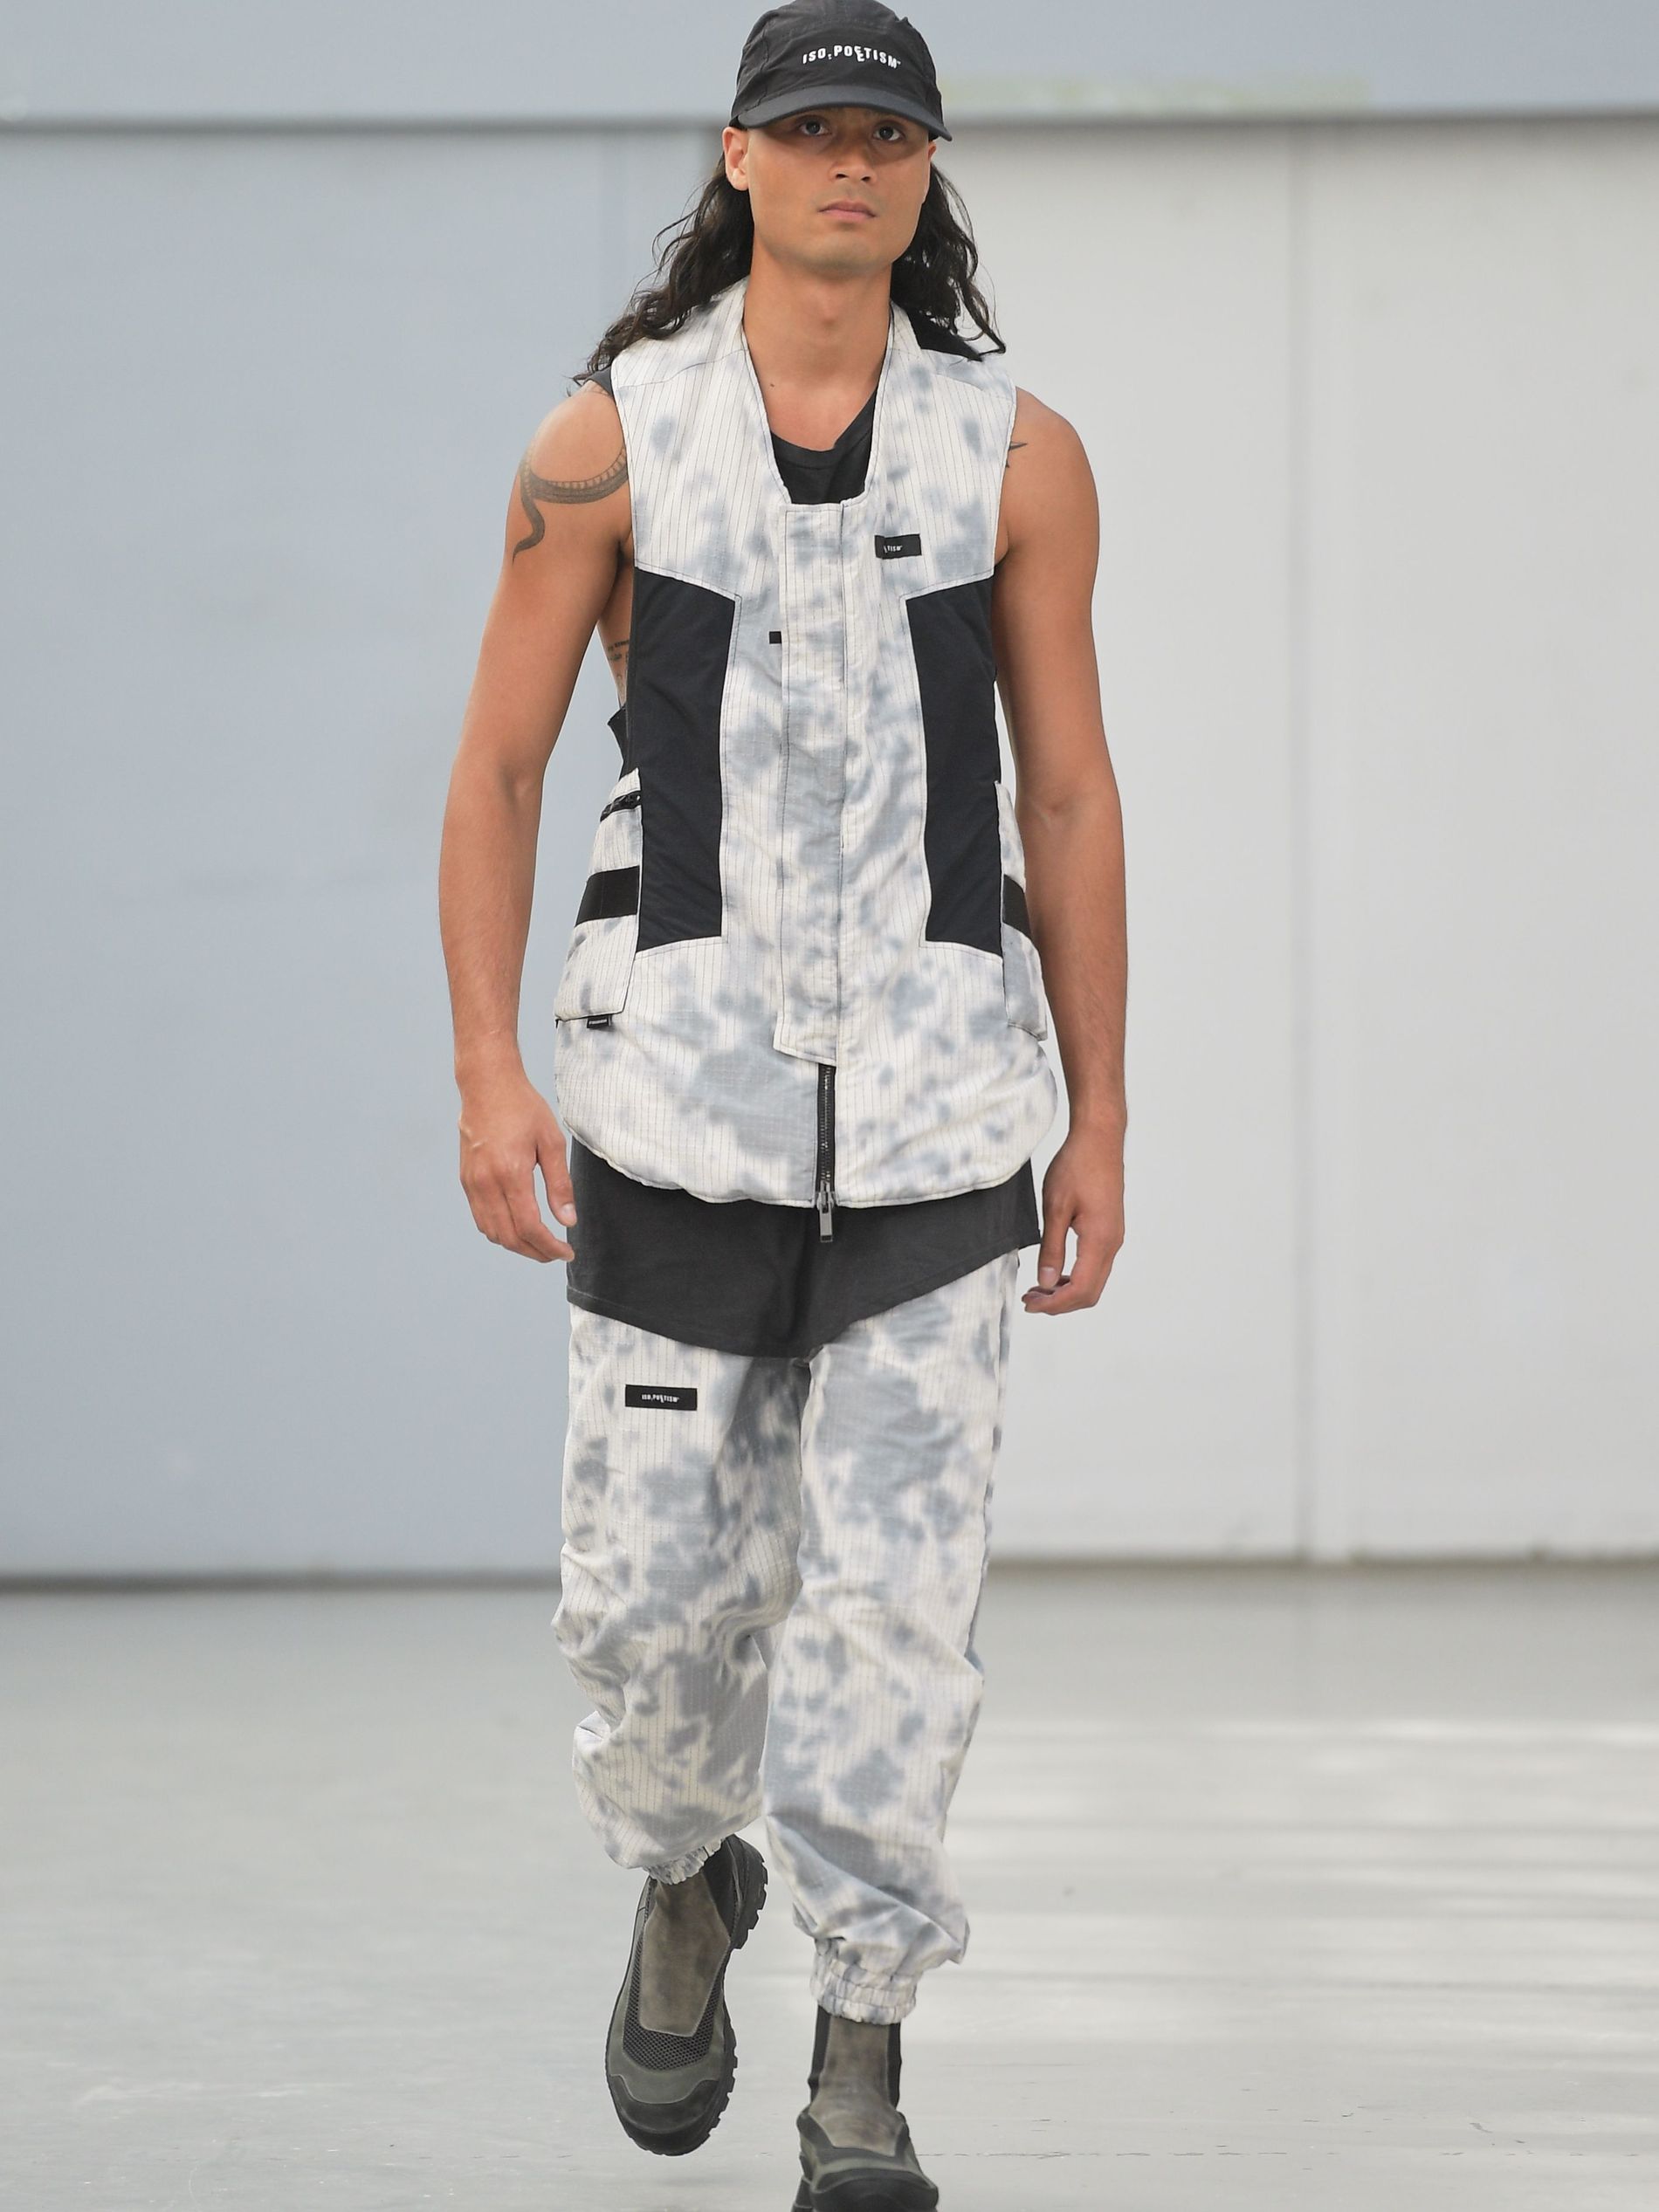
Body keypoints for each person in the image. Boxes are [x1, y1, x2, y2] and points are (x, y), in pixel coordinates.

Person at [437, 3, 1127, 2202]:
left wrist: (1099, 1113)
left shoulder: (1013, 455)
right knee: (650, 1622)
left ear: (924, 170)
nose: (850, 161)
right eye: (809, 127)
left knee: (895, 1622)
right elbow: (497, 769)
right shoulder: (606, 442)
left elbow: (1069, 793)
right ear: (734, 156)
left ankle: (861, 2051)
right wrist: (486, 1071)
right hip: (674, 1112)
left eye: (885, 133)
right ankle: (679, 1874)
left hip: (938, 1124)